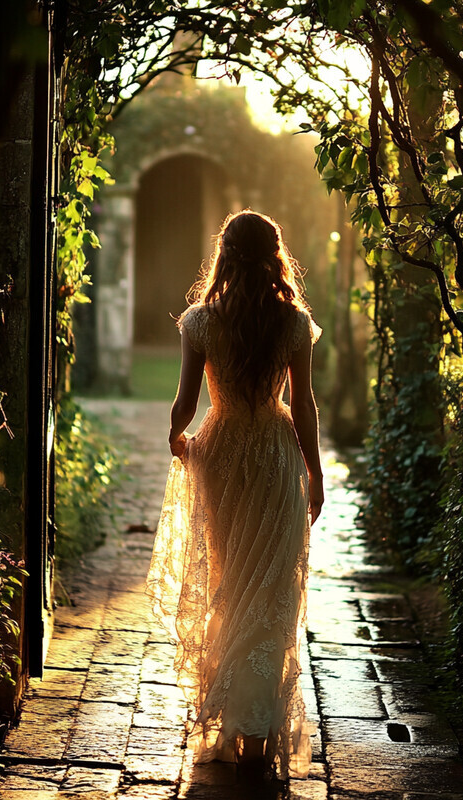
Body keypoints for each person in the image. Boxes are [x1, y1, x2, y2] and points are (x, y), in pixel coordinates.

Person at [145, 210, 323, 786]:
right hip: (274, 457)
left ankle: (233, 720)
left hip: (221, 456)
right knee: (270, 594)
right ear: (276, 256)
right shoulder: (294, 324)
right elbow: (304, 407)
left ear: (224, 254)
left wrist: (180, 442)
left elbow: (184, 402)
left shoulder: (200, 322)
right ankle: (254, 728)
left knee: (229, 583)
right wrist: (314, 473)